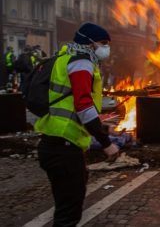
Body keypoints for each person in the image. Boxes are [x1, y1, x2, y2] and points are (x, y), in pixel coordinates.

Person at [34, 23, 120, 227]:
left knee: (66, 207)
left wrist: (100, 125)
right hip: (64, 146)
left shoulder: (65, 58)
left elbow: (71, 103)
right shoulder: (81, 62)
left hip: (55, 143)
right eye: (103, 43)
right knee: (68, 214)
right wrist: (106, 143)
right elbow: (83, 105)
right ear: (89, 43)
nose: (106, 48)